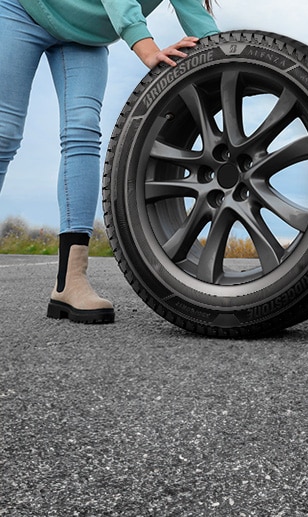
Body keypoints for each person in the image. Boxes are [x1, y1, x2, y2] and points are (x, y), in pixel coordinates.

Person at [0, 0, 219, 324]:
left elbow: (199, 20)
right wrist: (145, 46)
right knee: (5, 132)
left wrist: (230, 63)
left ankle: (70, 281)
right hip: (24, 9)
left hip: (84, 36)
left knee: (83, 133)